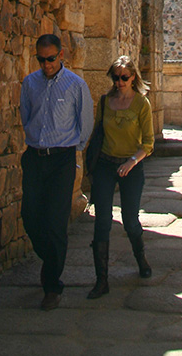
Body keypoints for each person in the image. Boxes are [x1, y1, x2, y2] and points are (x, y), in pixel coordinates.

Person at [20, 33, 94, 310]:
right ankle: (51, 259)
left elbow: (85, 122)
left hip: (62, 159)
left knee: (55, 221)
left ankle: (52, 284)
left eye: (51, 59)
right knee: (30, 215)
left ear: (61, 55)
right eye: (41, 60)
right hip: (35, 157)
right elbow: (26, 115)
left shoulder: (76, 85)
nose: (47, 65)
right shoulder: (30, 83)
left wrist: (74, 150)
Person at [87, 54, 155, 299]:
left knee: (130, 221)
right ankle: (101, 280)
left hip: (131, 166)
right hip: (106, 164)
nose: (119, 82)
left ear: (133, 77)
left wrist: (132, 161)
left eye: (124, 77)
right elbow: (98, 133)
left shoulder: (141, 104)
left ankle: (141, 259)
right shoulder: (105, 102)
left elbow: (148, 143)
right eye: (115, 77)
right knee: (102, 220)